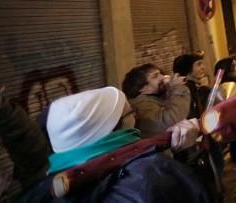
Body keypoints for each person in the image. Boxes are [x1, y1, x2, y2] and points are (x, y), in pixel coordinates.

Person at [21, 87, 207, 203]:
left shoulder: (47, 187)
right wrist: (188, 155)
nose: (136, 117)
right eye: (130, 113)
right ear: (116, 126)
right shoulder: (152, 174)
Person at [121, 64, 191, 136]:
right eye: (155, 76)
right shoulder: (141, 106)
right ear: (143, 88)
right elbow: (172, 121)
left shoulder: (158, 97)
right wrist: (177, 88)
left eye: (160, 73)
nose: (163, 77)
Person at [172, 53, 210, 119]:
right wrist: (204, 88)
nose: (203, 67)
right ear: (188, 69)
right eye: (199, 64)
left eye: (202, 64)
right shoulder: (185, 89)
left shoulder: (194, 86)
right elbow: (202, 111)